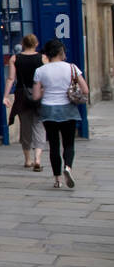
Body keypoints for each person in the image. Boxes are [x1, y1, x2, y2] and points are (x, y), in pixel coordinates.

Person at [31, 39, 89, 189]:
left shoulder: (40, 71)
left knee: (54, 145)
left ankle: (57, 180)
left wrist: (46, 89)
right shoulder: (72, 68)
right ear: (60, 52)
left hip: (48, 110)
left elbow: (36, 96)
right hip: (68, 109)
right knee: (69, 143)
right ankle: (68, 167)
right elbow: (85, 90)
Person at [3, 34, 45, 171]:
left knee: (25, 127)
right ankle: (38, 158)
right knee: (38, 126)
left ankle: (28, 160)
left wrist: (6, 96)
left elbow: (10, 78)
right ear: (36, 43)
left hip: (22, 95)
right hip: (39, 94)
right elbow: (47, 78)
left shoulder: (15, 58)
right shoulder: (43, 58)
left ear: (22, 43)